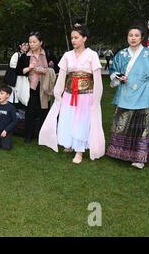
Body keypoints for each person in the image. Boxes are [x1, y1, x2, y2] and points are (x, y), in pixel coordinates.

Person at [39, 21, 105, 164]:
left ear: (84, 38)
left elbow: (98, 79)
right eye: (72, 38)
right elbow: (62, 76)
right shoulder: (67, 55)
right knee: (68, 118)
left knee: (82, 121)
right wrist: (58, 94)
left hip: (86, 94)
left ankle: (79, 151)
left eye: (76, 37)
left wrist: (96, 98)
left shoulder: (92, 55)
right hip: (69, 94)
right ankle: (69, 143)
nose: (73, 40)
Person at [106, 26, 149, 169]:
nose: (133, 38)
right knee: (122, 124)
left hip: (145, 93)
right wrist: (118, 76)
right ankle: (121, 152)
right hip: (126, 92)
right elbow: (113, 70)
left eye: (136, 35)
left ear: (142, 38)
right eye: (130, 35)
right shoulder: (121, 54)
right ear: (127, 37)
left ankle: (140, 158)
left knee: (142, 126)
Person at [21, 32, 57, 144]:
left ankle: (43, 135)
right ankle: (28, 135)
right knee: (30, 111)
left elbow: (56, 68)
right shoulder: (25, 56)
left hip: (44, 87)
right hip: (31, 87)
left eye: (34, 42)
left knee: (44, 111)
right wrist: (29, 68)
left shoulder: (48, 54)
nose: (31, 44)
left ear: (40, 42)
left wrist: (46, 70)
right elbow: (19, 71)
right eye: (30, 42)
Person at [7, 42, 30, 108]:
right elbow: (12, 65)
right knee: (14, 94)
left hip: (22, 78)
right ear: (20, 46)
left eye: (27, 45)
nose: (26, 46)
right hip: (15, 78)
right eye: (24, 45)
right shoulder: (17, 54)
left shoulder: (26, 55)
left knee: (21, 93)